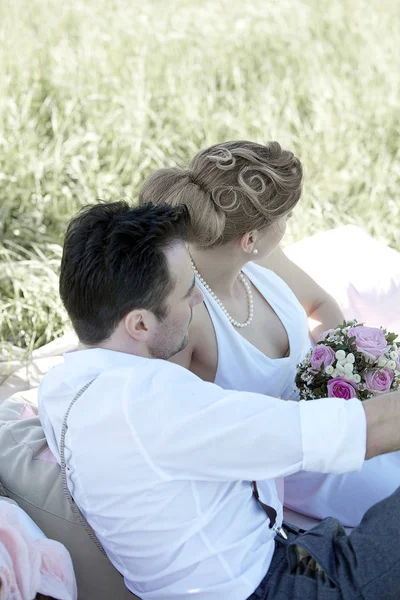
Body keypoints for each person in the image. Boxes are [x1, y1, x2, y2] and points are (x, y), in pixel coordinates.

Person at [38, 200, 400, 600]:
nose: (197, 302)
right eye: (188, 292)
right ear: (139, 323)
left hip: (268, 559)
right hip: (279, 589)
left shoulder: (62, 385)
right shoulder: (154, 403)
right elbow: (360, 430)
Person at [138, 140, 400, 526]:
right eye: (288, 217)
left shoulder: (263, 258)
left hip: (340, 412)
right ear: (250, 240)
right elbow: (183, 433)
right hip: (299, 460)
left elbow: (321, 306)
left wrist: (347, 369)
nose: (290, 224)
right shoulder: (188, 318)